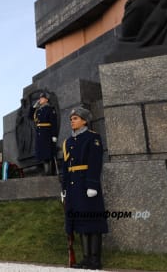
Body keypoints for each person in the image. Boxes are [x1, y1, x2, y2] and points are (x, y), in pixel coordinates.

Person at [62, 107, 108, 270]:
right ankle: (86, 258)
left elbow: (95, 162)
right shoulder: (68, 141)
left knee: (92, 222)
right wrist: (64, 188)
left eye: (75, 118)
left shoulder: (92, 138)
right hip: (74, 188)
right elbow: (65, 166)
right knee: (80, 223)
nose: (72, 121)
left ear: (84, 121)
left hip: (86, 185)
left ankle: (95, 260)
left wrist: (92, 184)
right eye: (71, 119)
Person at [29, 92, 58, 175]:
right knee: (41, 154)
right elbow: (30, 117)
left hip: (46, 133)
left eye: (42, 98)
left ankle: (48, 172)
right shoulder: (38, 110)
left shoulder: (50, 109)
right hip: (39, 134)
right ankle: (45, 171)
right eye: (40, 98)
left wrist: (54, 135)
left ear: (46, 100)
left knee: (47, 154)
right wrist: (34, 107)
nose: (40, 99)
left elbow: (54, 123)